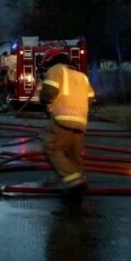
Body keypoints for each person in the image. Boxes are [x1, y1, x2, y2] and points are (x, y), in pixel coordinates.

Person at [39, 49, 94, 194]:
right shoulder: (82, 76)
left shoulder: (55, 70)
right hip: (81, 121)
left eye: (46, 64)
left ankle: (74, 181)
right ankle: (78, 180)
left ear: (51, 61)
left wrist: (43, 99)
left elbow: (49, 92)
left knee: (52, 148)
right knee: (73, 155)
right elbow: (90, 98)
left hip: (62, 119)